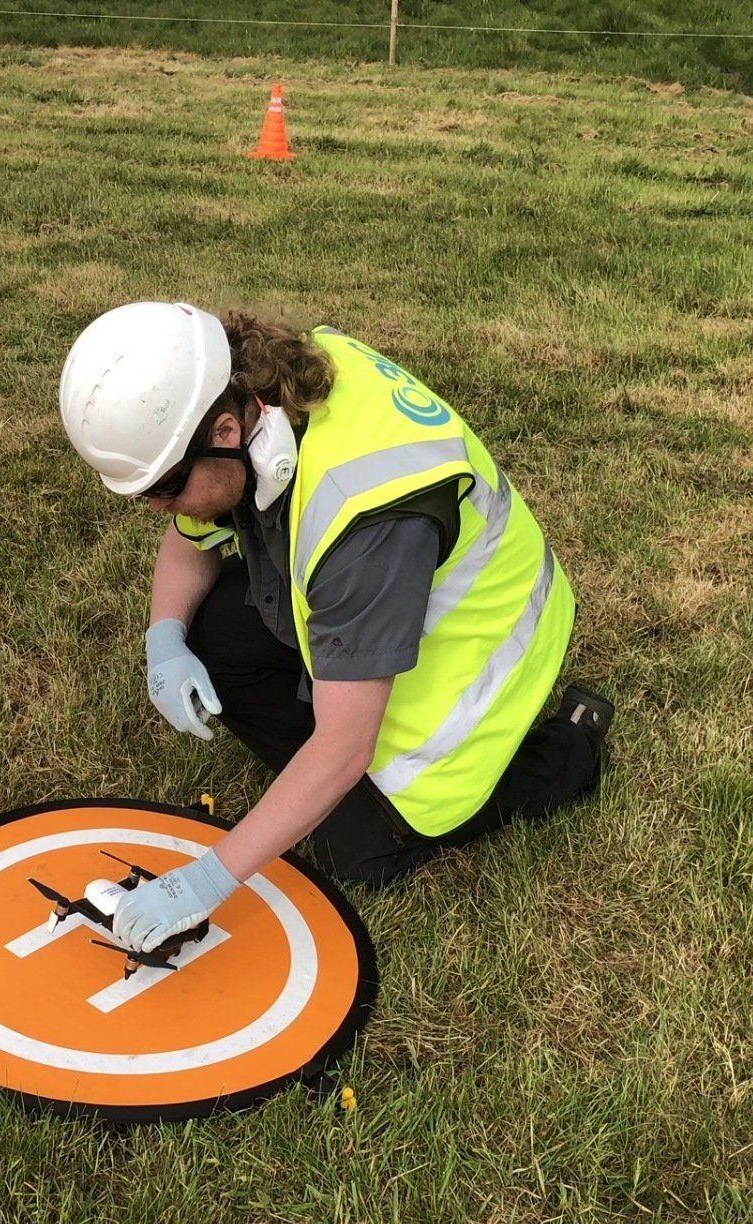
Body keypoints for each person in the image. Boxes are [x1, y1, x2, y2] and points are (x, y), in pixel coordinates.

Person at [58, 301, 611, 954]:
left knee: (360, 850)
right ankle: (321, 748)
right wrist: (164, 640)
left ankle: (568, 751)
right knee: (209, 635)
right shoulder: (264, 396)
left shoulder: (364, 519)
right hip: (395, 600)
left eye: (168, 485)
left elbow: (347, 747)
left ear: (227, 431)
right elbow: (190, 542)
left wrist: (206, 882)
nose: (159, 507)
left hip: (484, 651)